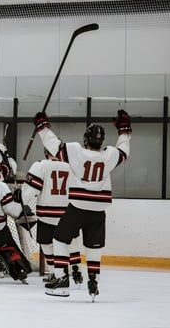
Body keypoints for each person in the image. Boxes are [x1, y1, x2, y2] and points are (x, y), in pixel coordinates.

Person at [32, 110, 131, 300]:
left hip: (77, 207)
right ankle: (93, 281)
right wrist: (124, 131)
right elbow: (124, 150)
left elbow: (54, 145)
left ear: (86, 139)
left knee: (60, 240)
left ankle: (61, 279)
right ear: (101, 141)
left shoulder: (76, 151)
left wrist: (42, 126)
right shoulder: (109, 155)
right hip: (99, 210)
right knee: (94, 247)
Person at [21, 148, 83, 285]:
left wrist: (21, 201)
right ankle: (76, 269)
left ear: (45, 152)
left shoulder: (40, 165)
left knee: (46, 244)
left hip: (47, 215)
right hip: (69, 213)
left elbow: (29, 192)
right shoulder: (72, 166)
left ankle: (55, 273)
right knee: (71, 242)